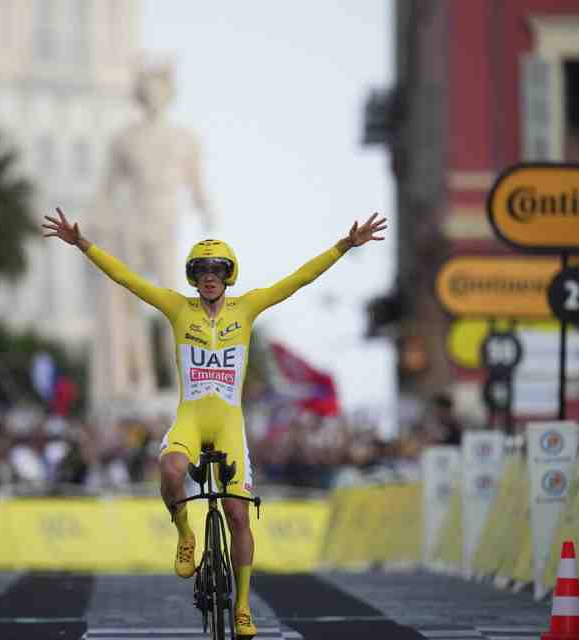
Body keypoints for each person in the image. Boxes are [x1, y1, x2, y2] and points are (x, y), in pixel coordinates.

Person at [43, 205, 387, 637]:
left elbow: (298, 280)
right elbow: (126, 279)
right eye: (201, 269)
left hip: (228, 424)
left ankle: (242, 605)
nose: (209, 276)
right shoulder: (176, 307)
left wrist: (344, 246)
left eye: (217, 269)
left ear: (229, 274)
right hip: (190, 418)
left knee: (237, 516)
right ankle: (185, 533)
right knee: (169, 468)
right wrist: (82, 244)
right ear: (192, 275)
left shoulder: (246, 308)